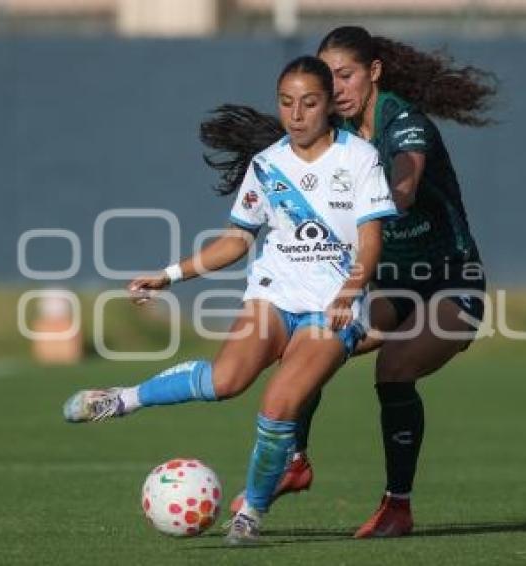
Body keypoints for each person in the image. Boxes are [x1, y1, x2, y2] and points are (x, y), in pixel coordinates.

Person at [62, 55, 397, 545]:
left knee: (279, 404)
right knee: (225, 380)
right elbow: (237, 241)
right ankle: (122, 399)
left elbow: (371, 241)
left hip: (333, 308)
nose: (297, 114)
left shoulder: (359, 158)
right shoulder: (267, 165)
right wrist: (171, 274)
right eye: (287, 103)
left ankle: (251, 515)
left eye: (309, 103)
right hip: (274, 296)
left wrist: (350, 290)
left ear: (328, 105)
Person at [225, 26, 497, 538]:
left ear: (373, 73)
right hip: (391, 280)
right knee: (312, 344)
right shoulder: (339, 136)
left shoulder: (404, 122)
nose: (339, 88)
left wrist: (360, 206)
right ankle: (294, 461)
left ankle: (398, 505)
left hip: (448, 279)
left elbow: (406, 187)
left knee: (394, 369)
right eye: (331, 79)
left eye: (347, 75)